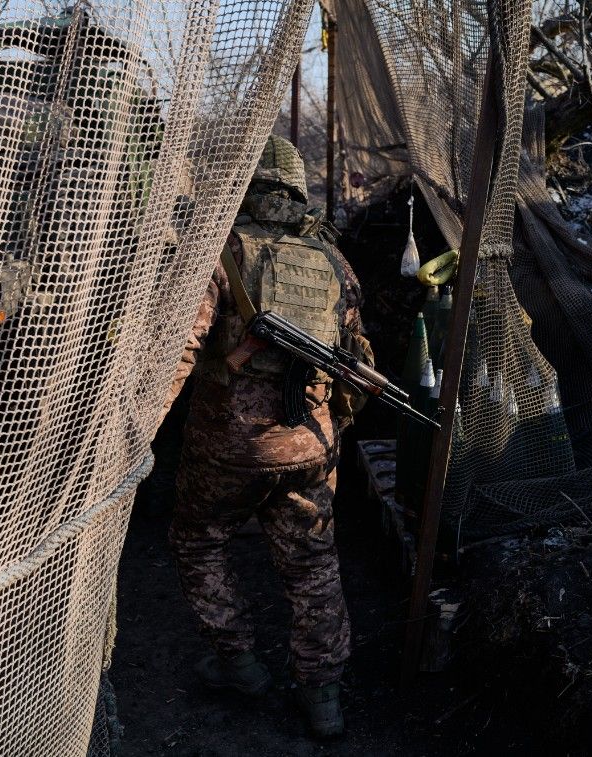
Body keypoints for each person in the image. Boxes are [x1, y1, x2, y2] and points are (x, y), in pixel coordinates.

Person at [164, 134, 373, 739]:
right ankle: (323, 693)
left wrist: (140, 431)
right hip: (313, 441)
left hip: (232, 447)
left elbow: (182, 348)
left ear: (246, 190)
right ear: (296, 192)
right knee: (312, 558)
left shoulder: (224, 252)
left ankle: (240, 663)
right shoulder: (332, 260)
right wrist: (332, 432)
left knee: (199, 538)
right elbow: (359, 356)